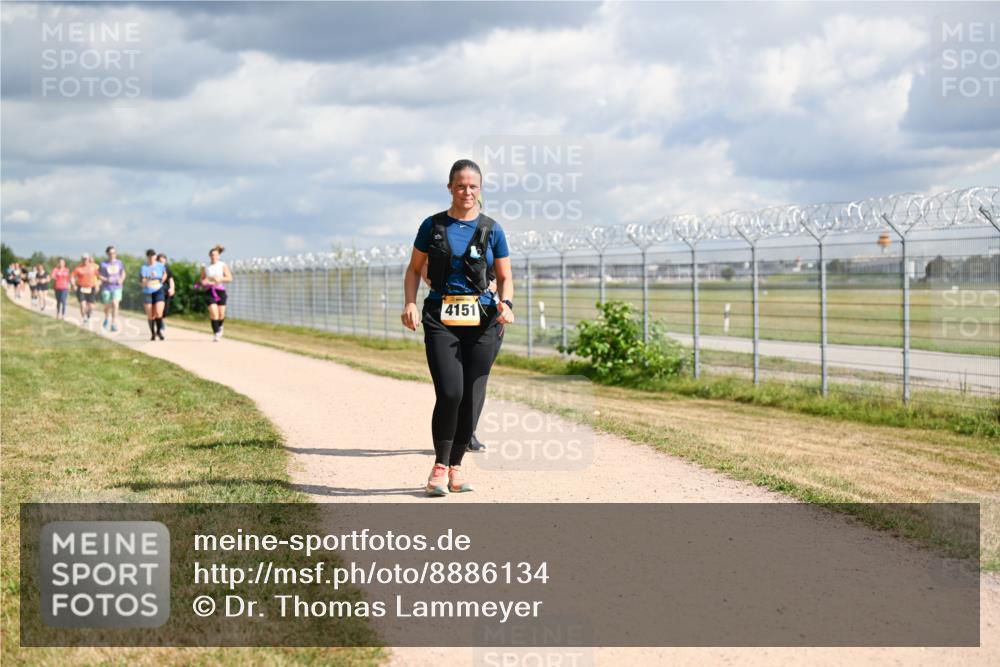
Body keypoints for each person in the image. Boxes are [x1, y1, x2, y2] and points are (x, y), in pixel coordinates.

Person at [402, 159, 514, 496]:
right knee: (451, 392)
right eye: (461, 185)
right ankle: (439, 465)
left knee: (472, 398)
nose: (467, 191)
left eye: (473, 186)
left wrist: (506, 305)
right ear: (450, 187)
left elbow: (506, 277)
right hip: (441, 316)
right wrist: (409, 302)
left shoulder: (492, 229)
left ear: (480, 190)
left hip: (483, 322)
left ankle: (456, 467)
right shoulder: (432, 226)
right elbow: (413, 270)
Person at [420, 263, 500, 453]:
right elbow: (423, 267)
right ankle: (451, 436)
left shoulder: (490, 235)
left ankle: (468, 432)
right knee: (453, 385)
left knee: (476, 381)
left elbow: (504, 275)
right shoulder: (442, 234)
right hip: (449, 311)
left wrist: (492, 292)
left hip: (486, 314)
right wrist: (442, 287)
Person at [200, 245, 232, 342]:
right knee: (214, 314)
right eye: (212, 255)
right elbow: (202, 280)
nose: (214, 257)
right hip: (210, 291)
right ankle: (216, 333)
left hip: (220, 291)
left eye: (216, 255)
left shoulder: (222, 265)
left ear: (218, 256)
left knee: (221, 314)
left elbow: (230, 278)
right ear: (209, 256)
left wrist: (220, 279)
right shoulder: (206, 267)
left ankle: (220, 326)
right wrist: (205, 282)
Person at [140, 249, 167, 340]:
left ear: (155, 256)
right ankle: (153, 333)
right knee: (151, 315)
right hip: (148, 292)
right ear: (147, 257)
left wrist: (162, 280)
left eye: (153, 256)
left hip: (158, 290)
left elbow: (165, 274)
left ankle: (158, 331)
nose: (152, 258)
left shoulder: (160, 265)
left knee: (159, 312)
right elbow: (142, 282)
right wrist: (149, 277)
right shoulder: (144, 267)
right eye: (150, 256)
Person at [98, 245, 126, 332]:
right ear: (107, 254)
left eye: (114, 253)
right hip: (106, 287)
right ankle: (106, 318)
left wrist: (121, 279)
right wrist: (106, 279)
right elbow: (99, 275)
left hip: (117, 287)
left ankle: (113, 323)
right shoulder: (103, 264)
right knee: (107, 305)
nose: (112, 255)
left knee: (115, 303)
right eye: (110, 253)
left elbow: (123, 273)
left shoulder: (119, 263)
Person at [71, 254, 100, 323]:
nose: (85, 260)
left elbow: (99, 276)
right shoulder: (78, 268)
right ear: (82, 260)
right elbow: (72, 277)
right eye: (84, 259)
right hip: (81, 288)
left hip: (91, 287)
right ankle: (84, 318)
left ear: (88, 259)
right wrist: (74, 285)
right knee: (82, 304)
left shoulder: (93, 267)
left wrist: (97, 285)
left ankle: (88, 314)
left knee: (91, 306)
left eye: (86, 259)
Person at [156, 253, 175, 329]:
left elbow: (171, 280)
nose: (162, 263)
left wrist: (172, 288)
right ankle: (159, 323)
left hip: (165, 292)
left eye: (164, 262)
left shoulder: (167, 269)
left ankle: (161, 320)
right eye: (160, 261)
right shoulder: (154, 269)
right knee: (158, 309)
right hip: (157, 291)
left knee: (165, 311)